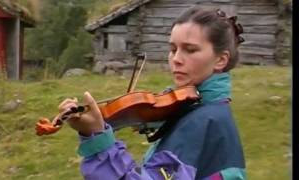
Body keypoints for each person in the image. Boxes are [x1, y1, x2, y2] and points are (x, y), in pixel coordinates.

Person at [58, 6, 246, 180]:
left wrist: (98, 138)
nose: (176, 59)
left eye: (190, 50)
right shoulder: (205, 109)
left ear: (220, 60)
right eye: (173, 49)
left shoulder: (203, 121)